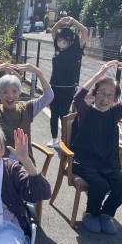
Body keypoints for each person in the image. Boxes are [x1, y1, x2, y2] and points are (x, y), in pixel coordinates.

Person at [71, 60, 122, 234]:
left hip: (107, 163)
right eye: (101, 93)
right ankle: (91, 214)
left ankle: (105, 214)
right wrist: (99, 73)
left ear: (115, 99)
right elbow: (78, 97)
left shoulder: (115, 111)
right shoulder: (85, 111)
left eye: (110, 95)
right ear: (95, 94)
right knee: (101, 184)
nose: (105, 99)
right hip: (84, 162)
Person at [0, 61, 53, 161]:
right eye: (5, 92)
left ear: (19, 93)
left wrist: (38, 72)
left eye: (14, 91)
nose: (10, 95)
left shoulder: (27, 108)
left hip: (24, 162)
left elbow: (49, 96)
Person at [48, 16, 88, 148]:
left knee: (63, 114)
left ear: (69, 40)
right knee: (54, 114)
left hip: (67, 88)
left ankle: (64, 140)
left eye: (62, 39)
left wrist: (72, 21)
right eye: (59, 39)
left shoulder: (76, 49)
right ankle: (54, 139)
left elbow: (85, 31)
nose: (60, 41)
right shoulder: (57, 49)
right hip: (54, 86)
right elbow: (53, 31)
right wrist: (60, 22)